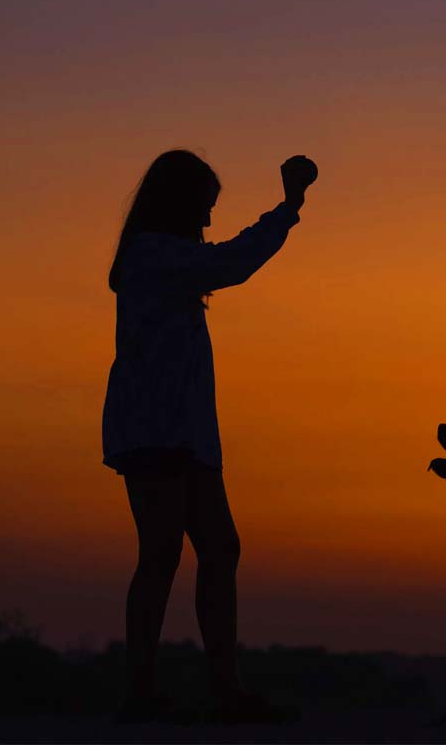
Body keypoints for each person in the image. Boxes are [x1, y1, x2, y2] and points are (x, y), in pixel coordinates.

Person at [101, 149, 317, 723]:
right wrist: (288, 206)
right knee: (162, 553)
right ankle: (143, 692)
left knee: (218, 548)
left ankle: (222, 688)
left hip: (181, 432)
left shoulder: (162, 257)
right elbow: (233, 262)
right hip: (155, 429)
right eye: (204, 208)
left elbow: (224, 261)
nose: (207, 222)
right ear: (179, 204)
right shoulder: (153, 256)